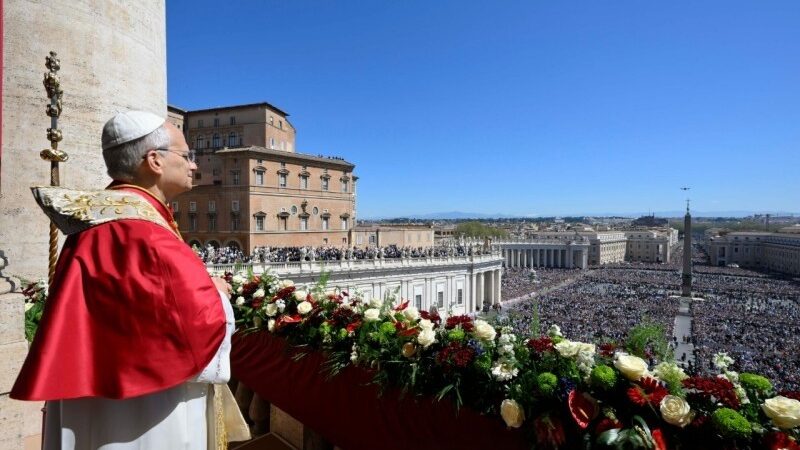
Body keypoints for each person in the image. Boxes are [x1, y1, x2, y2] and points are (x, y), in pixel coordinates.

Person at [11, 111, 243, 449]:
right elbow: (192, 317)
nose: (194, 166)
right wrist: (218, 292)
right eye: (186, 155)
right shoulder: (142, 231)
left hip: (99, 390)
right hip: (148, 408)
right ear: (155, 161)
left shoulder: (106, 220)